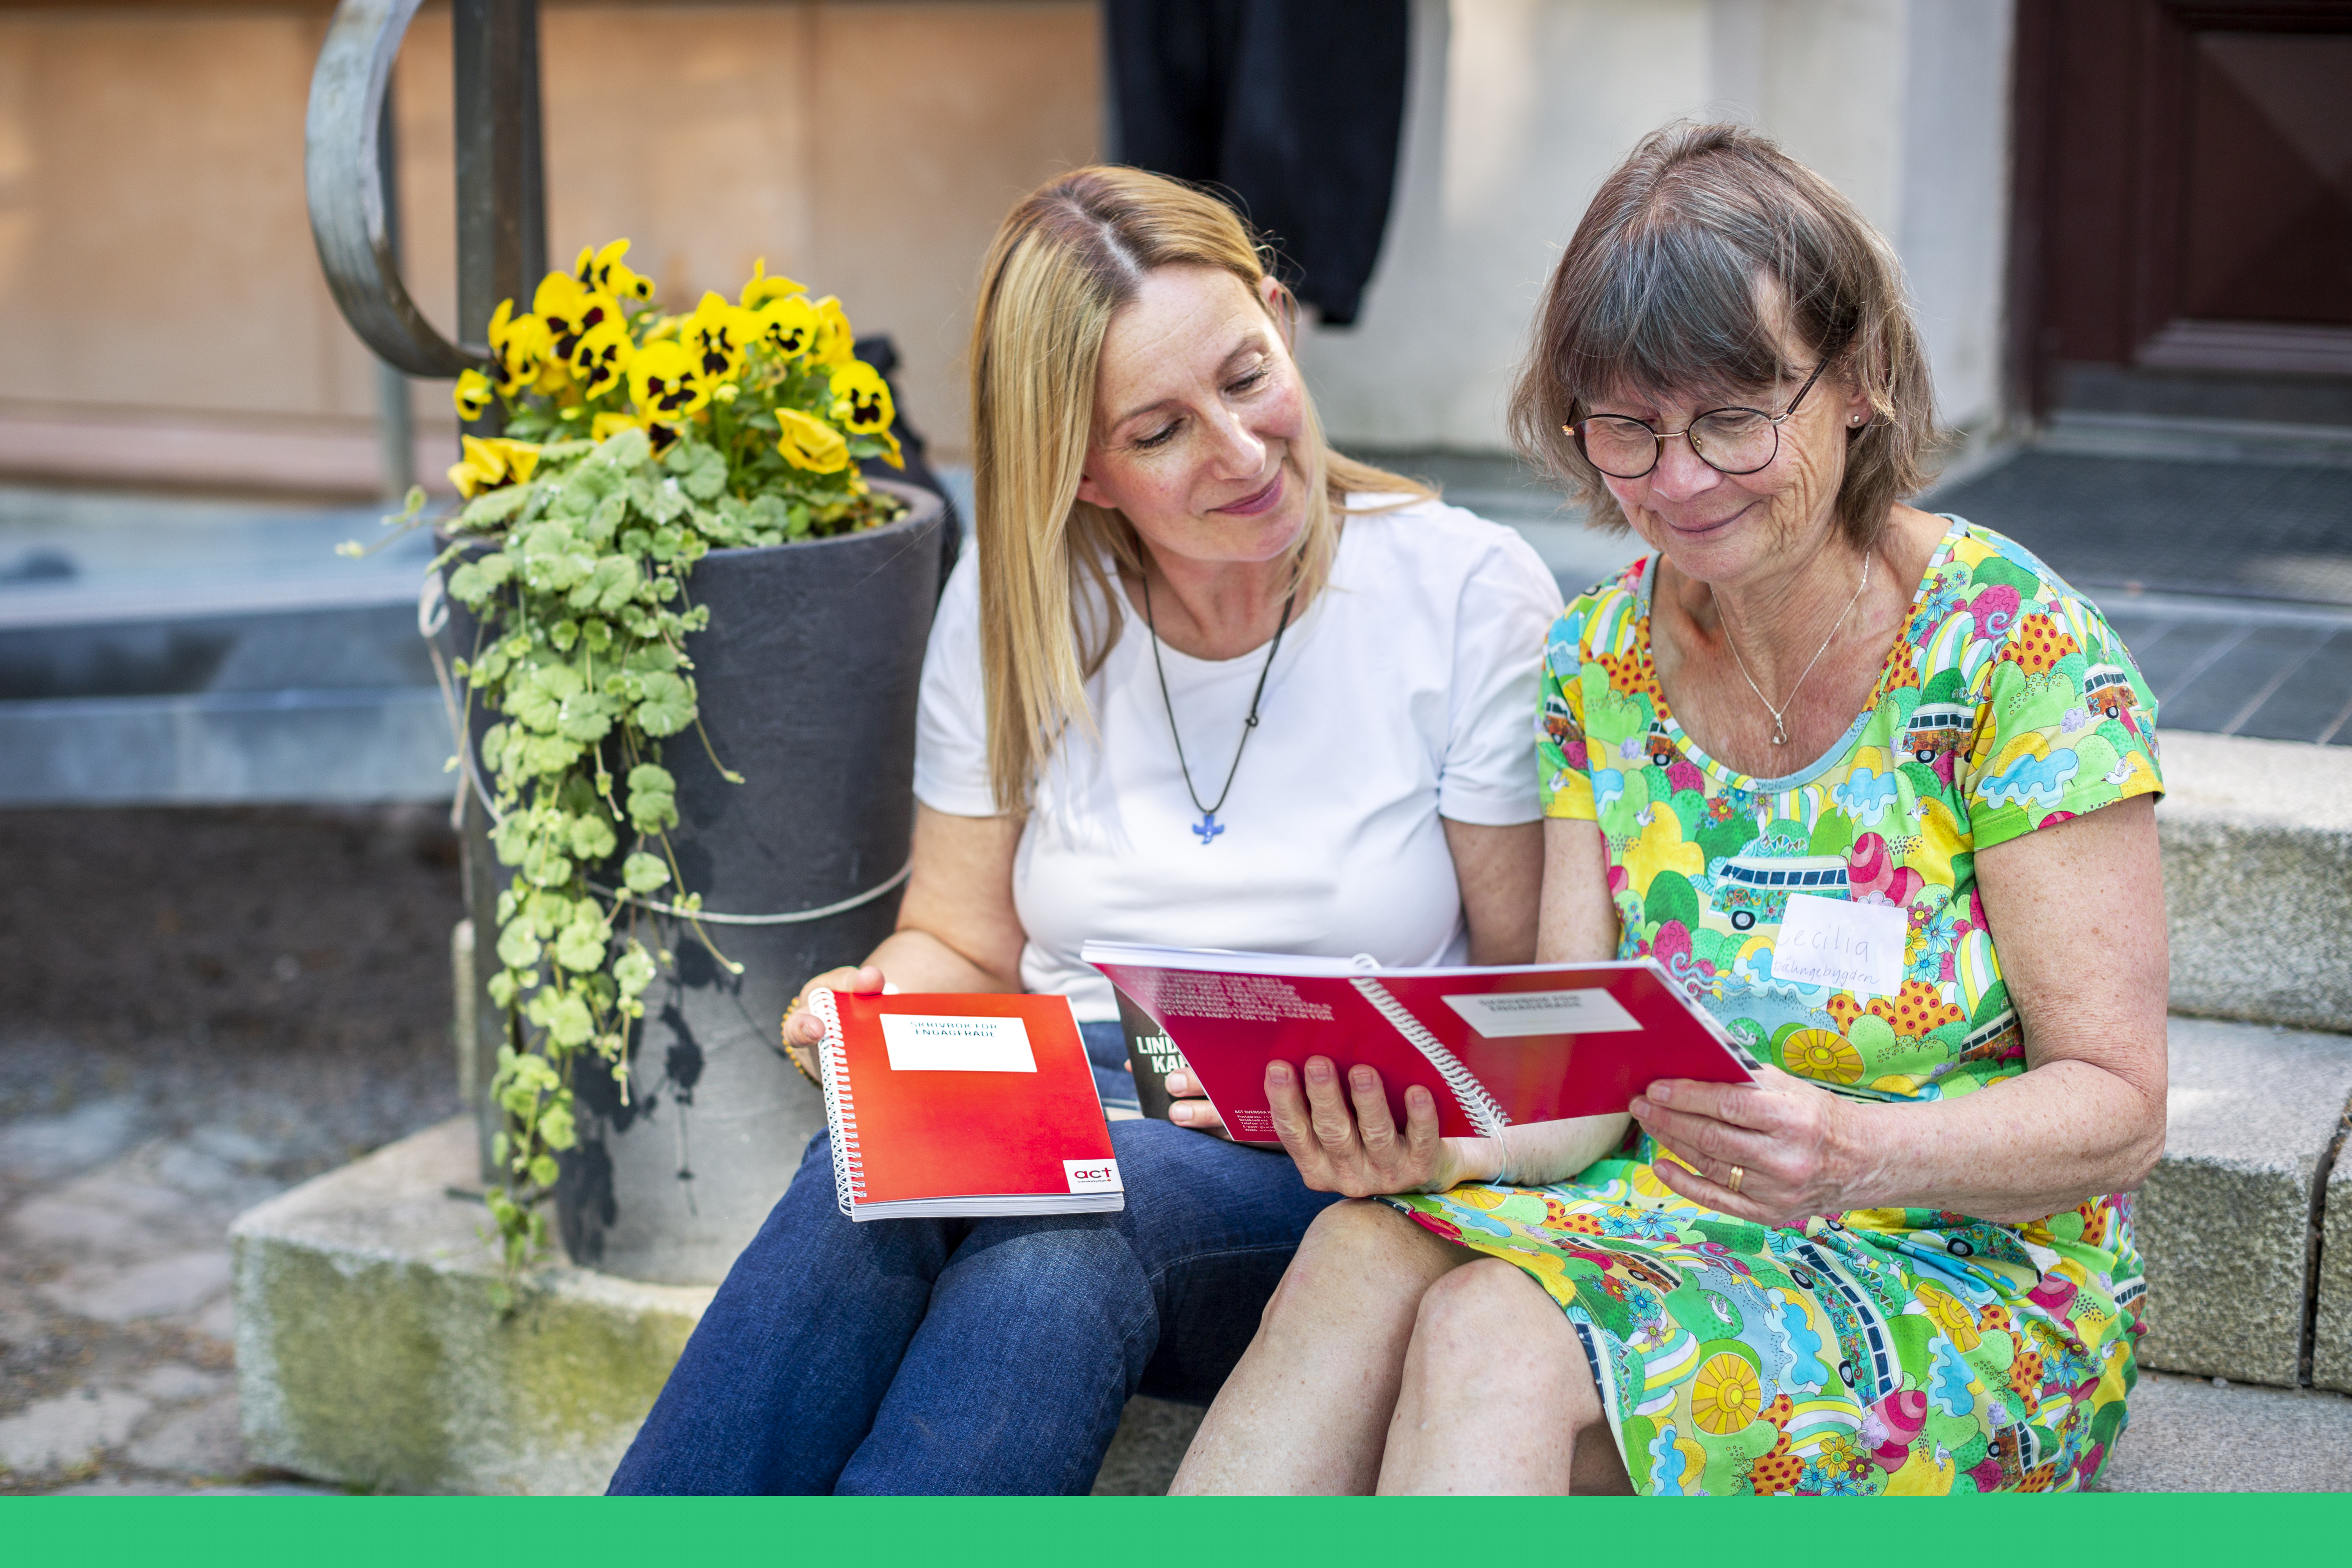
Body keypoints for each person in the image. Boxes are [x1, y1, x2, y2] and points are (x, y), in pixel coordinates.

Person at [1172, 122, 2169, 1498]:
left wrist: (1853, 1148)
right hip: (1676, 1214)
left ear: (1860, 380)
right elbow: (1580, 1081)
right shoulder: (1601, 660)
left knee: (1495, 1328)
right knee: (1360, 1241)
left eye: (1730, 419)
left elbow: (2117, 1108)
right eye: (1628, 428)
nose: (1676, 481)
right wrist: (1432, 1133)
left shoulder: (2012, 650)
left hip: (1963, 1262)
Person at [606, 165, 1563, 1495]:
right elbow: (956, 937)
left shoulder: (1464, 592)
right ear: (1088, 469)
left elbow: (1532, 991)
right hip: (1061, 1128)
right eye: (1161, 429)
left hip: (1322, 1164)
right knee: (960, 1221)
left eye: (1243, 377)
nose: (1237, 449)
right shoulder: (1019, 598)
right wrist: (875, 1002)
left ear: (1280, 322)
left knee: (1042, 1207)